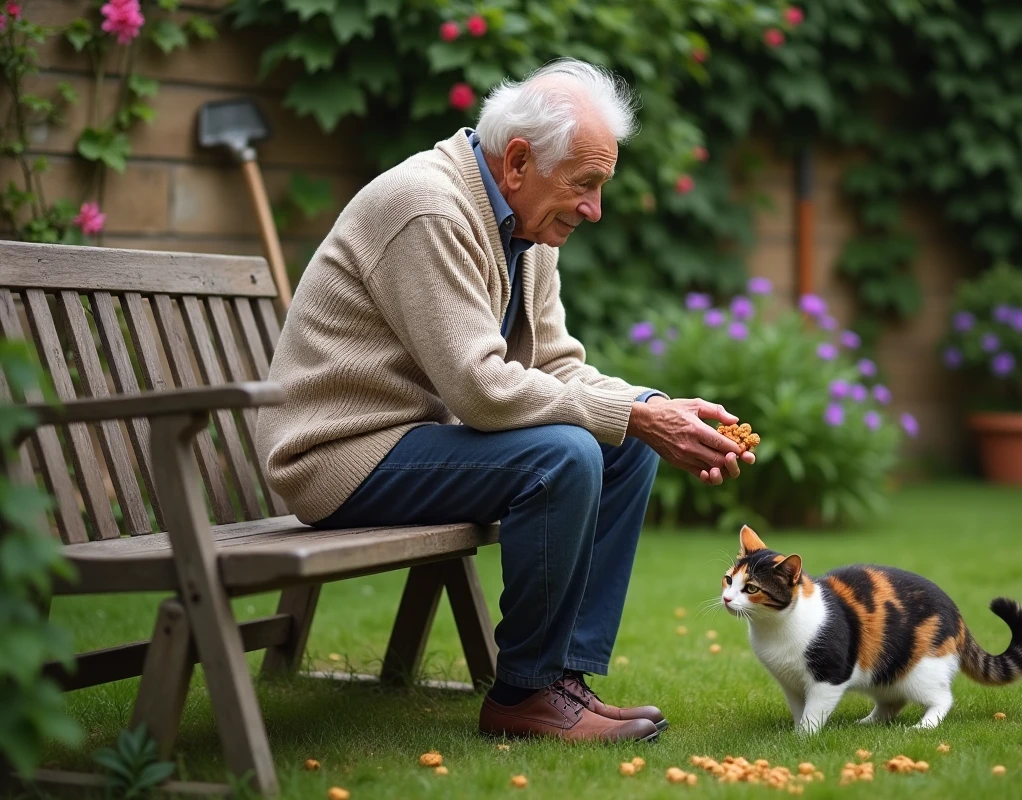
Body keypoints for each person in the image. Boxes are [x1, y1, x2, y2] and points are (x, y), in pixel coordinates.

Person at [256, 58, 754, 743]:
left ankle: (563, 681)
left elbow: (555, 365)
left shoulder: (527, 229)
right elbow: (481, 390)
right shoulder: (427, 205)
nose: (594, 209)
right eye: (585, 184)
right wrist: (634, 415)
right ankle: (523, 693)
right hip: (336, 455)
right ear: (518, 160)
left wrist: (653, 408)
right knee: (566, 453)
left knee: (622, 446)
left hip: (414, 442)